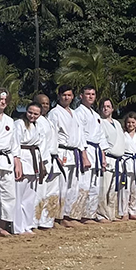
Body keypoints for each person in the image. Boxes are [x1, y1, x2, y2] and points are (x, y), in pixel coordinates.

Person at [47, 85, 90, 227]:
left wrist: (84, 155)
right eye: (64, 95)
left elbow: (81, 136)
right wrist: (55, 155)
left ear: (73, 97)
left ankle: (68, 215)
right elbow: (52, 135)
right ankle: (56, 217)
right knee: (61, 186)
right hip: (61, 151)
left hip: (74, 153)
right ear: (59, 96)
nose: (67, 97)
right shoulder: (54, 113)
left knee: (73, 186)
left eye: (69, 95)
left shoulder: (74, 113)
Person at [0, 89, 22, 236]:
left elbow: (15, 143)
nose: (2, 102)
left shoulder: (10, 120)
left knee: (9, 195)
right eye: (0, 99)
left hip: (7, 160)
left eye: (5, 100)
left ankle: (2, 225)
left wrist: (17, 161)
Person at [74, 86, 107, 222]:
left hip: (96, 151)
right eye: (88, 94)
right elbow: (79, 135)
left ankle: (90, 214)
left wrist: (103, 155)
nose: (91, 96)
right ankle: (78, 215)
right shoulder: (78, 113)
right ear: (81, 96)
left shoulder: (96, 115)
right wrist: (84, 155)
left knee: (95, 186)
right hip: (86, 149)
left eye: (93, 94)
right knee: (84, 184)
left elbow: (101, 136)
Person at [14, 102, 43, 235]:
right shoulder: (19, 124)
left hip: (34, 160)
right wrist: (17, 162)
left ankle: (28, 225)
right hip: (23, 158)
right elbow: (15, 143)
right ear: (26, 111)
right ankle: (18, 227)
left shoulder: (37, 126)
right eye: (30, 112)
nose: (32, 115)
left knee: (30, 197)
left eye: (36, 114)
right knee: (19, 197)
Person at [34, 94, 61, 230]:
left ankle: (47, 221)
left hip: (53, 158)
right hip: (42, 159)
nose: (45, 106)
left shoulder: (48, 120)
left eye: (47, 103)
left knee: (52, 192)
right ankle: (35, 221)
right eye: (42, 103)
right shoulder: (36, 121)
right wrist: (42, 161)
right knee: (40, 192)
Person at [97, 98, 127, 221]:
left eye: (108, 106)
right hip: (108, 158)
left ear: (112, 109)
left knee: (114, 189)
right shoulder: (100, 122)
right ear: (100, 109)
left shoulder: (117, 123)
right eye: (103, 106)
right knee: (104, 188)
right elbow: (100, 141)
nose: (106, 108)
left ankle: (111, 214)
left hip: (118, 161)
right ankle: (100, 214)